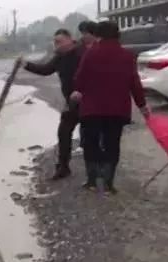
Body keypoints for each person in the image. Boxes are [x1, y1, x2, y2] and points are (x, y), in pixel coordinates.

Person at [70, 20, 149, 194]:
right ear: (118, 35)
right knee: (112, 144)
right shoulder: (127, 56)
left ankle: (91, 181)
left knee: (91, 143)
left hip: (92, 109)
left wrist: (78, 90)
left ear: (98, 35)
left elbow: (79, 79)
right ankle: (108, 184)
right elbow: (134, 84)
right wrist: (142, 106)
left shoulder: (90, 54)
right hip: (117, 110)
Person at [21, 23, 96, 180]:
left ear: (70, 40)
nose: (56, 44)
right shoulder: (60, 57)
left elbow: (95, 75)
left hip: (89, 100)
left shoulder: (83, 53)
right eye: (55, 42)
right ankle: (63, 166)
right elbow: (46, 70)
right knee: (63, 132)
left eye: (59, 41)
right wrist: (26, 65)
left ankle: (95, 172)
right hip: (71, 103)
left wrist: (83, 92)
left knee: (90, 135)